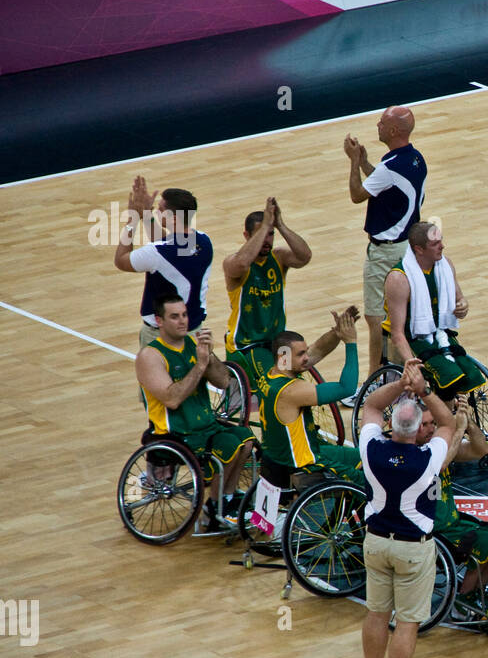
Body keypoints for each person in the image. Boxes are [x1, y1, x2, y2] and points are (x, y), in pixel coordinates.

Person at [358, 359, 455, 658]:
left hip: (376, 542)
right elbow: (446, 422)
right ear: (417, 430)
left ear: (391, 424)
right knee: (407, 623)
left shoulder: (371, 449)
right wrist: (424, 388)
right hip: (412, 549)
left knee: (376, 614)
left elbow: (370, 405)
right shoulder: (428, 458)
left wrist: (401, 384)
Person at [135, 294, 254, 530]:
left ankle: (225, 499)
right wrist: (199, 366)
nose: (182, 321)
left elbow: (222, 381)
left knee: (246, 440)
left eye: (185, 315)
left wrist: (209, 356)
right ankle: (214, 507)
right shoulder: (150, 356)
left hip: (204, 426)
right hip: (175, 431)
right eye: (175, 316)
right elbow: (172, 398)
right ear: (159, 321)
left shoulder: (193, 345)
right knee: (228, 448)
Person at [344, 106, 427, 381]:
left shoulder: (390, 167)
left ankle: (374, 379)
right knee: (399, 317)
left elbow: (358, 195)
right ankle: (394, 374)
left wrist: (354, 161)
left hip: (385, 252)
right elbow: (384, 185)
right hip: (405, 248)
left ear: (393, 131)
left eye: (381, 122)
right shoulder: (415, 159)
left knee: (376, 319)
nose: (377, 125)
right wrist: (368, 162)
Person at [413, 400, 488, 610]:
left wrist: (469, 423)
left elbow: (480, 450)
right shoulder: (413, 456)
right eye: (425, 424)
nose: (431, 429)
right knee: (482, 543)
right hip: (431, 533)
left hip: (450, 524)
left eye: (433, 423)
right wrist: (458, 429)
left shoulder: (437, 447)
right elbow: (440, 465)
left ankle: (475, 595)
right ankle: (462, 602)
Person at [254, 309, 362, 483]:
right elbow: (346, 388)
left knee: (363, 455)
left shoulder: (272, 374)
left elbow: (317, 350)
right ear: (284, 356)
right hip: (303, 463)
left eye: (305, 352)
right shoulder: (292, 391)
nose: (306, 358)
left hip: (280, 456)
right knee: (367, 481)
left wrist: (337, 332)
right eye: (301, 354)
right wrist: (351, 342)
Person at [382, 221, 483, 401]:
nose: (442, 246)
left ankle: (450, 416)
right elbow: (397, 333)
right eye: (435, 244)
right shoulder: (398, 279)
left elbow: (459, 298)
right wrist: (410, 365)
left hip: (438, 331)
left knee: (470, 373)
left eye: (441, 241)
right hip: (411, 337)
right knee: (448, 376)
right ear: (419, 250)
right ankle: (444, 418)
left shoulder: (446, 266)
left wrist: (463, 305)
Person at [223, 197, 313, 388]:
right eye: (261, 234)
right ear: (247, 236)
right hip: (248, 345)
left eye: (270, 234)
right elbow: (241, 263)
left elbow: (305, 256)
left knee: (295, 383)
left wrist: (280, 224)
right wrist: (265, 225)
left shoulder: (279, 258)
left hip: (277, 342)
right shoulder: (234, 263)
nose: (267, 240)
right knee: (279, 384)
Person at [114, 177, 212, 349]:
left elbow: (121, 260)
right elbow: (167, 244)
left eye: (160, 210)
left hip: (161, 336)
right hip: (195, 332)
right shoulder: (204, 241)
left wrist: (133, 220)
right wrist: (146, 215)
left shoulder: (157, 253)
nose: (157, 212)